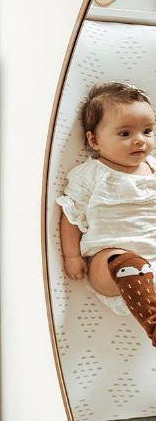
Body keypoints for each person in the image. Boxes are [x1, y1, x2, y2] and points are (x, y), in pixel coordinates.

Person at [57, 82, 156, 346]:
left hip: (153, 263)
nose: (140, 140)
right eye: (125, 133)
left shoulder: (153, 169)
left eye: (148, 131)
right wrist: (71, 255)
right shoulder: (92, 174)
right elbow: (71, 216)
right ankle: (153, 322)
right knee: (125, 262)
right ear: (94, 141)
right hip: (110, 263)